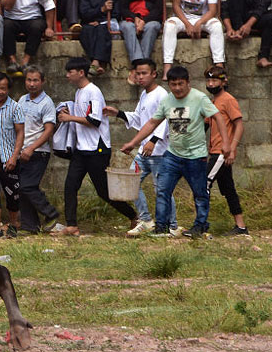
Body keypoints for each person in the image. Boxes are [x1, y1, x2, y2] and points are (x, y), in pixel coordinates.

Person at [122, 65, 230, 239]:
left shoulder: (199, 98)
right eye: (174, 84)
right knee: (163, 190)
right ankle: (162, 228)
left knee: (200, 193)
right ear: (169, 85)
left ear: (188, 83)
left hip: (195, 156)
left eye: (181, 84)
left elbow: (218, 117)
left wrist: (226, 143)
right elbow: (152, 123)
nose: (177, 88)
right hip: (173, 155)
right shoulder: (167, 101)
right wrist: (133, 142)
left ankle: (199, 227)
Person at [54, 57, 138, 236]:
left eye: (70, 72)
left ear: (81, 73)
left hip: (97, 150)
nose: (67, 75)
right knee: (70, 186)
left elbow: (94, 120)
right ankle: (72, 225)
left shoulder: (94, 92)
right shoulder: (78, 92)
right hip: (81, 149)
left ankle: (133, 216)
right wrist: (69, 113)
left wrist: (70, 118)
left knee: (103, 191)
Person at [106, 59, 177, 237]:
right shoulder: (145, 95)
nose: (140, 77)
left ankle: (172, 225)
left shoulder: (162, 95)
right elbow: (139, 119)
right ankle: (145, 220)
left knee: (162, 189)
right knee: (131, 184)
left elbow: (166, 120)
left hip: (159, 152)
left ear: (154, 74)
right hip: (143, 152)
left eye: (144, 73)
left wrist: (153, 140)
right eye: (137, 73)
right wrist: (119, 113)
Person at [162, 0, 224, 80]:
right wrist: (188, 24)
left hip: (204, 18)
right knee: (169, 25)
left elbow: (213, 10)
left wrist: (199, 23)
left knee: (217, 25)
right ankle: (167, 66)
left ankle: (219, 65)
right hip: (183, 18)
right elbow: (175, 5)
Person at [203, 66, 248, 236]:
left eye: (214, 80)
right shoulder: (212, 101)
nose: (211, 83)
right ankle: (241, 226)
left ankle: (201, 224)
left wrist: (232, 149)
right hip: (214, 150)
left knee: (204, 184)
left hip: (221, 152)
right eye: (208, 80)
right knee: (228, 189)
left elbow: (239, 125)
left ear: (223, 81)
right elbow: (205, 125)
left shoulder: (228, 100)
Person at [15, 65, 60, 234]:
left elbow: (49, 130)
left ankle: (51, 213)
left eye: (35, 80)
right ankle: (30, 226)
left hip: (38, 152)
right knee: (22, 188)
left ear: (42, 82)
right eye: (29, 80)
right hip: (22, 150)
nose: (32, 84)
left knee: (28, 186)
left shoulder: (46, 103)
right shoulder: (22, 100)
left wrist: (32, 148)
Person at [0, 0, 56, 73]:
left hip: (32, 17)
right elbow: (7, 6)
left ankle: (25, 62)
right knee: (5, 26)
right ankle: (12, 61)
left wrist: (49, 27)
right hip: (12, 17)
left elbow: (49, 5)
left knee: (38, 26)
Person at [77, 0, 113, 76]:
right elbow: (84, 13)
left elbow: (117, 13)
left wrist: (101, 19)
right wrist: (101, 10)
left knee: (102, 29)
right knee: (87, 30)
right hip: (90, 23)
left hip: (107, 22)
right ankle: (100, 63)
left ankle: (95, 62)